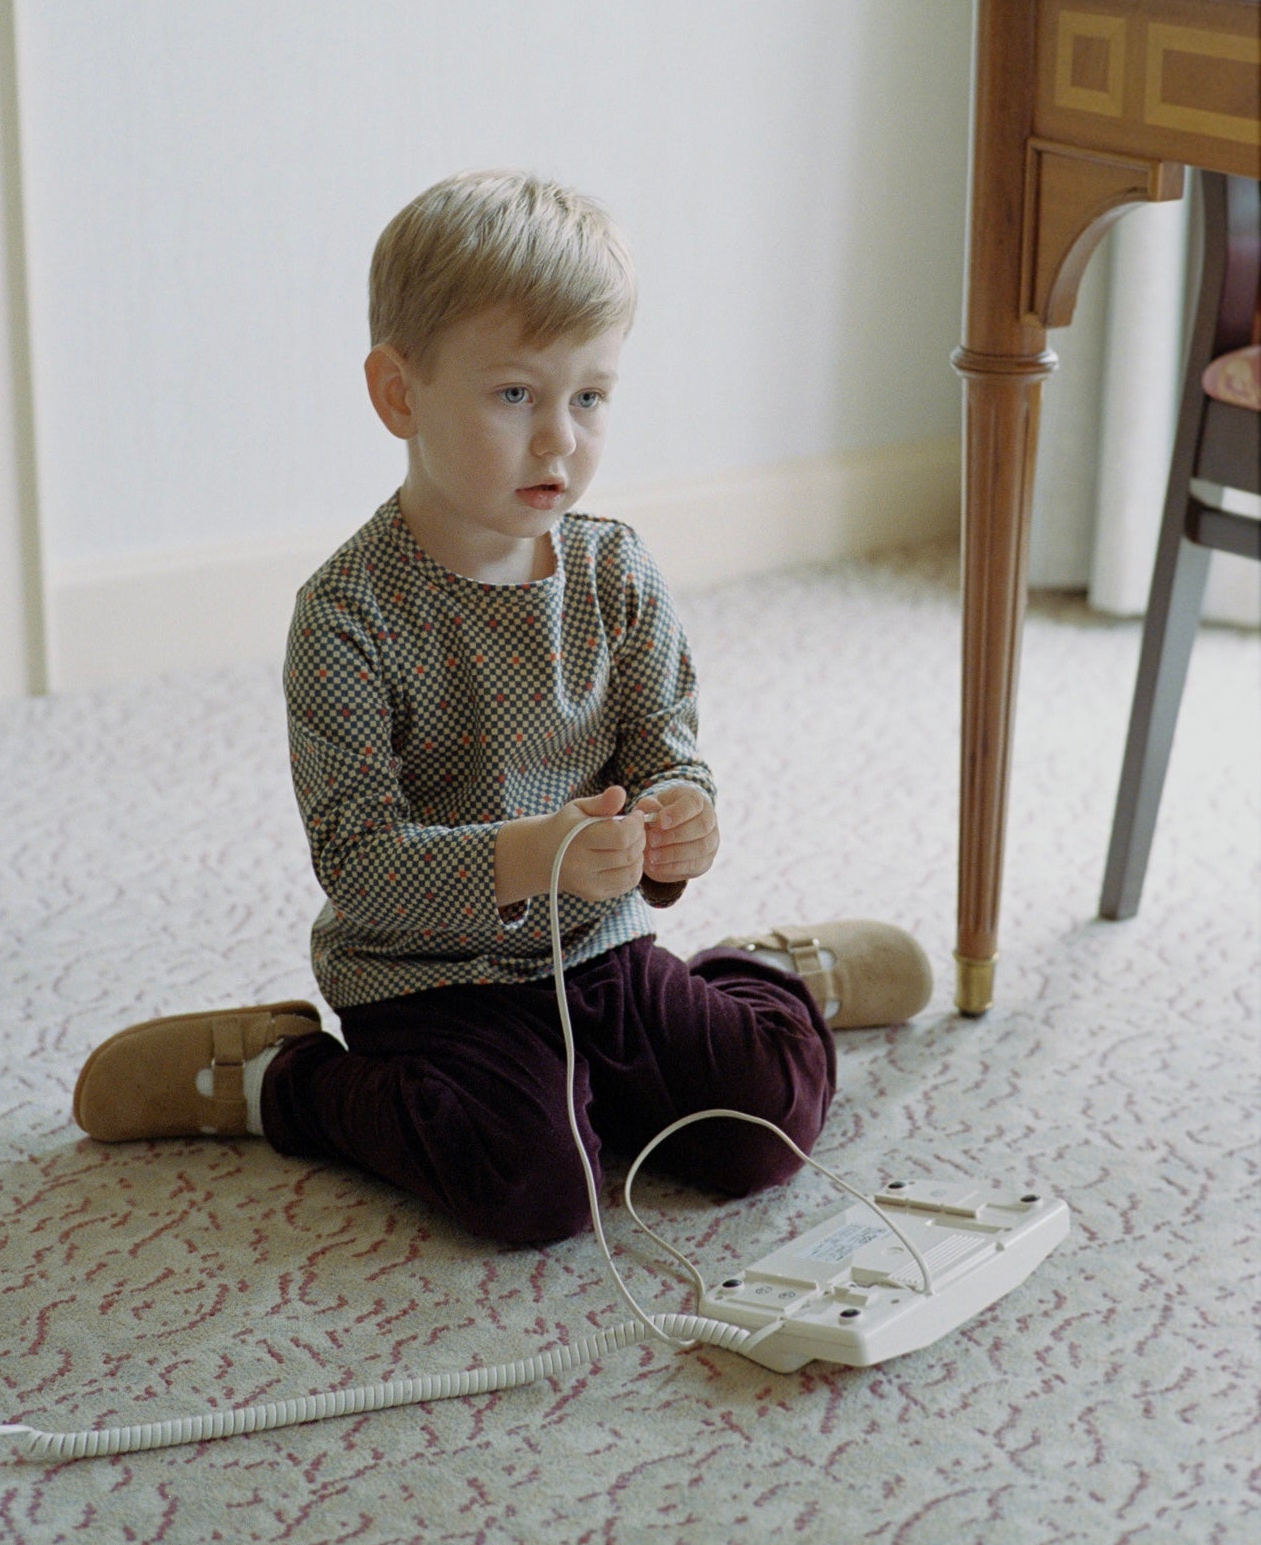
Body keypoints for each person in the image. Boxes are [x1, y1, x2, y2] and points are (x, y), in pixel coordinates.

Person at [73, 169, 932, 1244]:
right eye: (516, 395)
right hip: (428, 979)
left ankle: (762, 976)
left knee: (762, 1127)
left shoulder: (615, 573)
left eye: (590, 397)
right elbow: (358, 862)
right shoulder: (346, 616)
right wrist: (532, 855)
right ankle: (276, 1080)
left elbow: (665, 749)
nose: (559, 439)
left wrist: (680, 817)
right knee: (530, 1184)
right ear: (400, 394)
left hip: (599, 946)